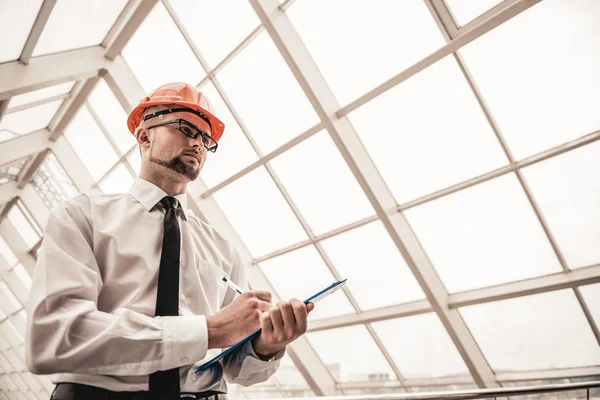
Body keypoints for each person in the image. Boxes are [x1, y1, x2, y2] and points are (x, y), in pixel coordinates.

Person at [25, 82, 314, 400]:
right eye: (187, 129)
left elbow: (235, 368)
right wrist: (210, 330)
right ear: (144, 135)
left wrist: (266, 347)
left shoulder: (221, 248)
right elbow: (54, 337)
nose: (199, 144)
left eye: (206, 139)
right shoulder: (83, 218)